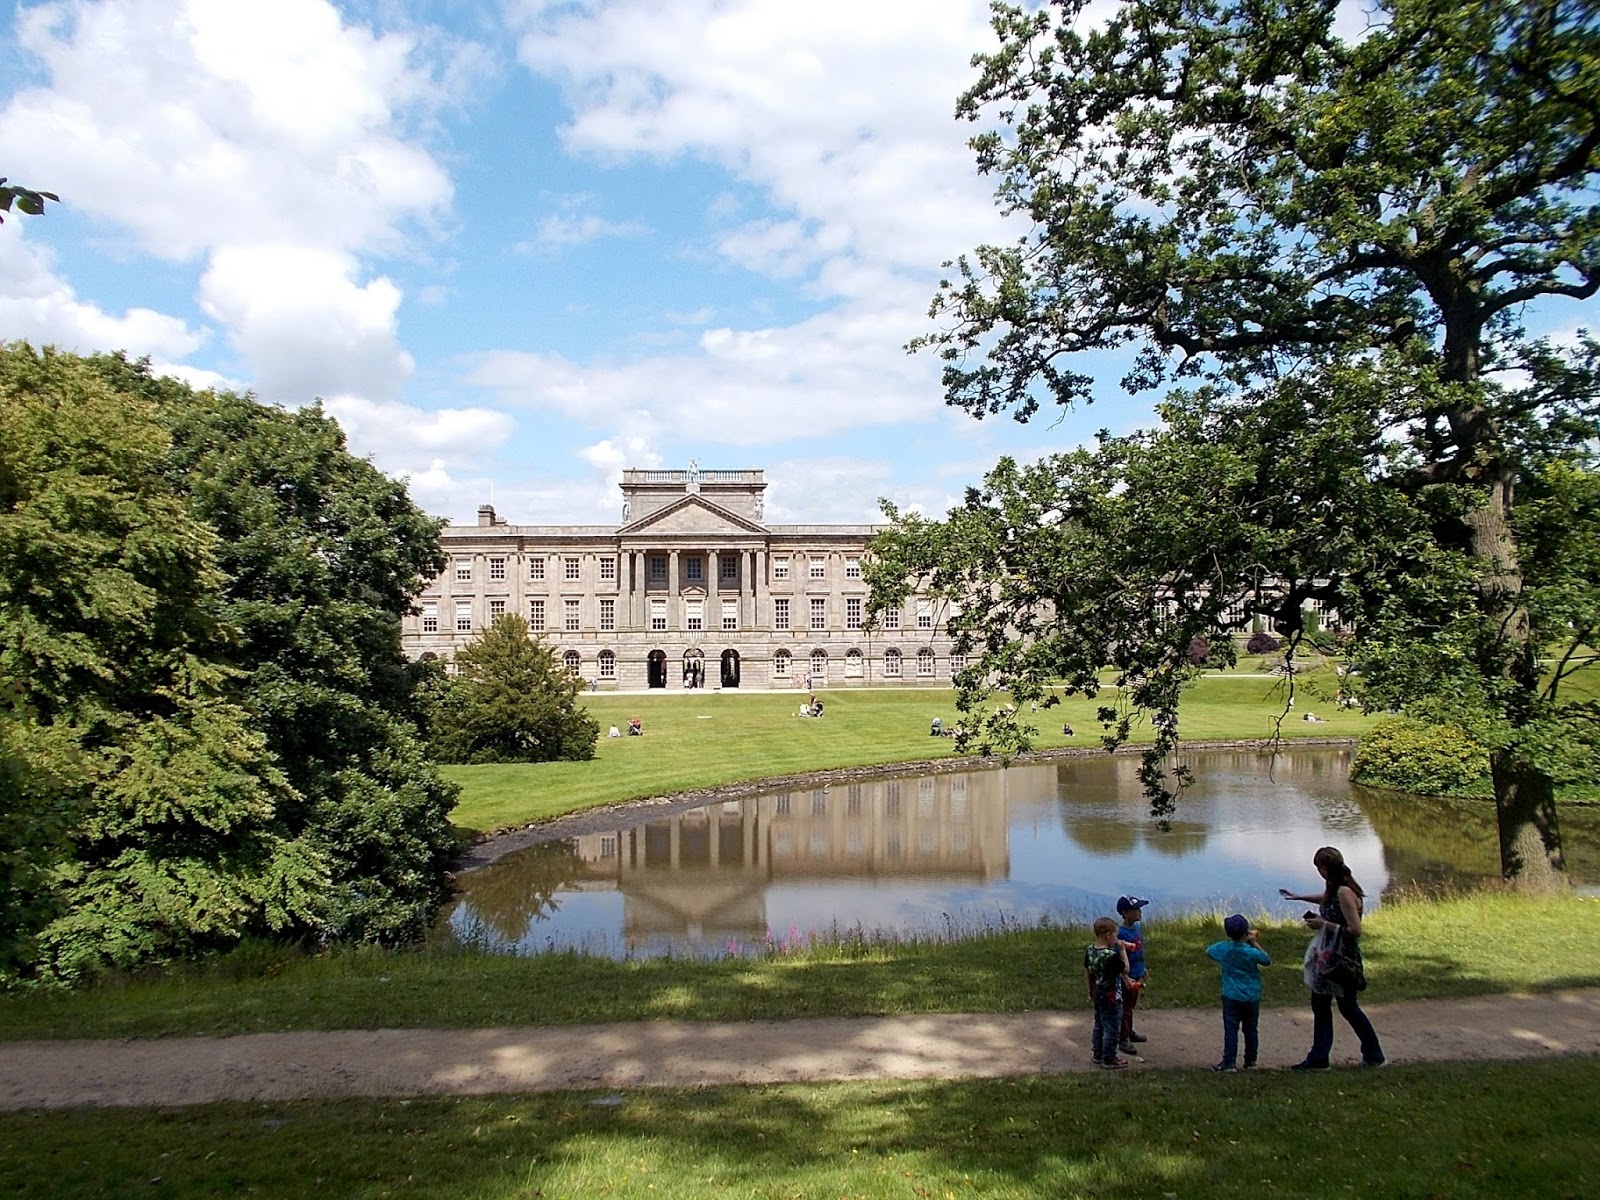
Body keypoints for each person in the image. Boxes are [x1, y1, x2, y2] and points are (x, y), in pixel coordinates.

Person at [1280, 846, 1386, 1069]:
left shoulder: (1344, 892)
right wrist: (1298, 896)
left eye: (1319, 867)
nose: (1319, 872)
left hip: (1341, 960)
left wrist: (1323, 924)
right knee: (1323, 1005)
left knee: (1347, 1008)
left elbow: (1355, 930)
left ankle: (1372, 1055)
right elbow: (1326, 899)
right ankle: (1322, 1058)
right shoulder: (1338, 887)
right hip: (1328, 957)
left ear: (1325, 868)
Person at [1206, 914, 1271, 1072]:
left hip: (1231, 996)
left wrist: (1230, 942)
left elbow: (1209, 950)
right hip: (1251, 997)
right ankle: (1251, 1061)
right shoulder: (1252, 952)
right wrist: (1254, 942)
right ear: (1246, 931)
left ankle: (1229, 1063)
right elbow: (1266, 960)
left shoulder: (1225, 949)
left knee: (1231, 1030)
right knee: (1251, 1029)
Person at [1084, 917, 1131, 1069]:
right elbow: (1126, 969)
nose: (1117, 939)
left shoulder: (1090, 951)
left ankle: (1097, 1053)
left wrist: (1090, 989)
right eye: (1116, 936)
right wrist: (1122, 951)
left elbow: (1088, 971)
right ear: (1108, 935)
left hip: (1097, 993)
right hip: (1112, 996)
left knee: (1099, 1023)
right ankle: (1109, 1058)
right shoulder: (1111, 956)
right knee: (1112, 1027)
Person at [1115, 896, 1150, 1055]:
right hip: (1127, 978)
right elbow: (1118, 959)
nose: (1140, 912)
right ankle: (1123, 1038)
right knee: (1125, 1008)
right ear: (1125, 913)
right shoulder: (1121, 934)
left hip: (1136, 974)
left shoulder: (1136, 929)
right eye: (1136, 910)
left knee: (1130, 1006)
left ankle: (1128, 1031)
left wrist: (1143, 968)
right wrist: (1125, 977)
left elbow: (1138, 951)